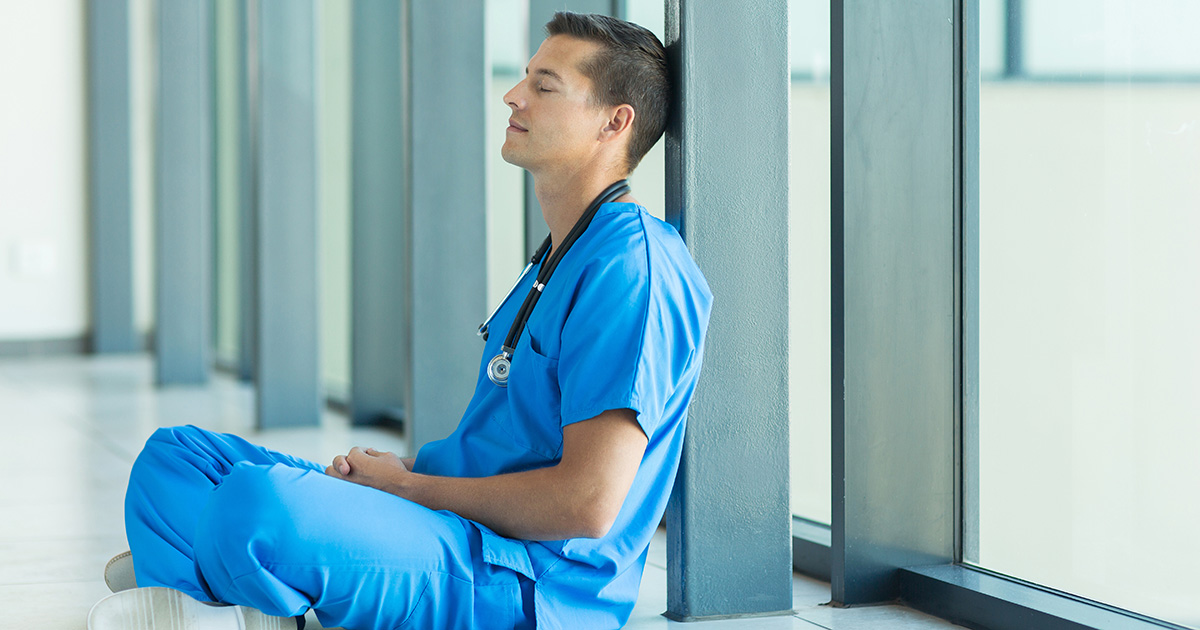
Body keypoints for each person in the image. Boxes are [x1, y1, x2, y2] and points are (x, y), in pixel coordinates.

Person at [87, 11, 711, 630]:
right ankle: (238, 600)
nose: (513, 95)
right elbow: (508, 445)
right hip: (451, 525)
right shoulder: (560, 252)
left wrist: (404, 490)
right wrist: (410, 473)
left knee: (254, 505)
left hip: (524, 582)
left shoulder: (633, 268)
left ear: (614, 121)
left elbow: (587, 504)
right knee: (175, 458)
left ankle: (214, 587)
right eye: (524, 77)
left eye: (544, 86)